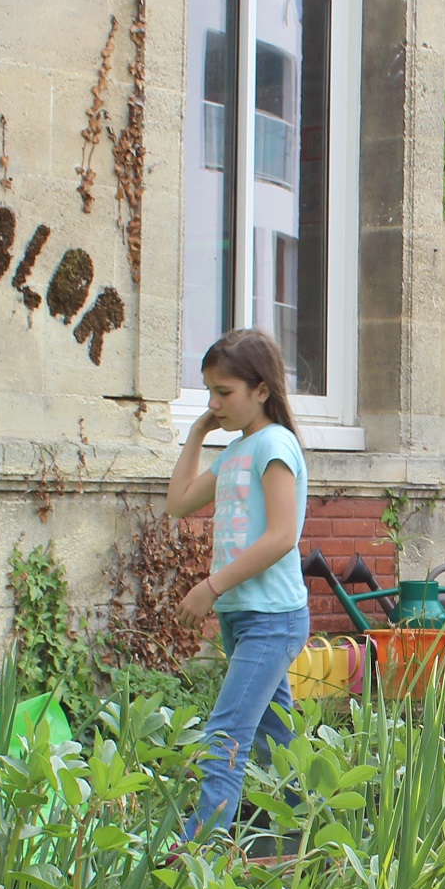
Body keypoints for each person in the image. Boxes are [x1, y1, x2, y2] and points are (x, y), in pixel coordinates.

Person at [165, 327, 311, 840]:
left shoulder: (274, 445)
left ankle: (194, 863)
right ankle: (301, 848)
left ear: (261, 390)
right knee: (276, 742)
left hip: (272, 617)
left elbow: (280, 538)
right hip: (245, 617)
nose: (215, 402)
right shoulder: (236, 452)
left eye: (224, 393)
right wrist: (198, 432)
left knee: (225, 734)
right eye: (209, 392)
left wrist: (211, 586)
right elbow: (178, 502)